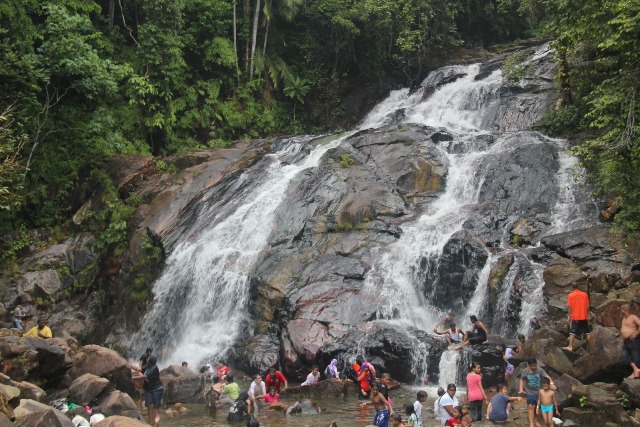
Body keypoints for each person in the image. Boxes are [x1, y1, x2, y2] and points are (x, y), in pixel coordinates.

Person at [518, 358, 555, 427]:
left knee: (539, 408)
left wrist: (552, 383)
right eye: (531, 366)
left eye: (534, 366)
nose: (533, 367)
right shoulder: (525, 371)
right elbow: (522, 380)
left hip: (539, 392)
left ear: (536, 364)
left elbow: (547, 376)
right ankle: (531, 424)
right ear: (528, 365)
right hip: (529, 391)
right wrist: (521, 389)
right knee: (530, 406)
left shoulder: (540, 370)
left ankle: (538, 421)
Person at [132, 354, 163, 427]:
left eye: (148, 358)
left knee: (155, 407)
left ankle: (156, 425)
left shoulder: (155, 368)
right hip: (148, 389)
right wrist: (130, 365)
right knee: (149, 406)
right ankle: (150, 423)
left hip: (157, 389)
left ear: (151, 361)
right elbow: (139, 369)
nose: (147, 358)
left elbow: (145, 376)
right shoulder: (147, 366)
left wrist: (133, 377)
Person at [563, 282, 591, 351]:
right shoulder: (584, 294)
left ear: (572, 287)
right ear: (578, 286)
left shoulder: (570, 295)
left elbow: (570, 307)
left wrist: (569, 315)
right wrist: (586, 314)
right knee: (587, 331)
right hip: (583, 316)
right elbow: (587, 306)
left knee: (572, 332)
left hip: (575, 317)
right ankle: (591, 347)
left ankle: (570, 347)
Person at [619, 303, 640, 378]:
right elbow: (623, 327)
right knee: (624, 355)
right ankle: (636, 370)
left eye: (621, 309)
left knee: (636, 357)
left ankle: (635, 373)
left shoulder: (633, 317)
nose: (620, 311)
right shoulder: (624, 318)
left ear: (624, 310)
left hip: (633, 339)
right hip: (626, 340)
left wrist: (636, 333)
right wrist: (618, 333)